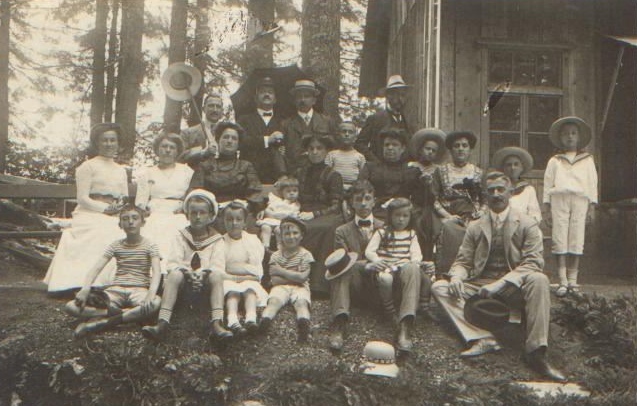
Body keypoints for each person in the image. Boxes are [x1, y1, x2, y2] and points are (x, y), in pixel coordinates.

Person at [431, 171, 566, 382]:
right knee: (440, 287)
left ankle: (536, 352)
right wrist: (457, 276)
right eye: (491, 190)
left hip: (513, 286)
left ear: (510, 192)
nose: (496, 194)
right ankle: (482, 337)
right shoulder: (476, 226)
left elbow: (533, 262)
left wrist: (500, 283)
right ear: (486, 195)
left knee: (539, 279)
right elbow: (463, 261)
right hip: (480, 284)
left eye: (500, 189)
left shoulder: (527, 224)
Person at [44, 122, 128, 293]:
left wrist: (118, 207)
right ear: (97, 143)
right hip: (89, 212)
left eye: (113, 140)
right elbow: (82, 198)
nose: (109, 144)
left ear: (118, 143)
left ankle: (110, 283)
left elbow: (124, 196)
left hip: (113, 214)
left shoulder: (121, 170)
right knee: (101, 229)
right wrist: (104, 209)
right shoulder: (87, 166)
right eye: (104, 140)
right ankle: (82, 282)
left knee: (121, 230)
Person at [141, 189, 232, 341]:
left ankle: (217, 323)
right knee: (175, 274)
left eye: (202, 213)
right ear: (187, 215)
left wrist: (202, 273)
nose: (197, 217)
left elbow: (218, 266)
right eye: (193, 213)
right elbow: (173, 263)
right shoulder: (181, 236)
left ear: (210, 216)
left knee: (216, 276)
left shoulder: (217, 239)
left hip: (205, 288)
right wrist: (188, 273)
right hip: (183, 287)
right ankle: (162, 323)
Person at [64, 205, 161, 338]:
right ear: (120, 224)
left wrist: (151, 293)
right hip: (116, 290)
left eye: (135, 218)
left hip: (139, 290)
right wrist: (85, 289)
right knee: (71, 306)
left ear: (143, 222)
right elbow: (96, 268)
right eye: (125, 219)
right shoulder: (116, 245)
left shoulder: (150, 245)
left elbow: (156, 272)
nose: (130, 222)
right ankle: (127, 314)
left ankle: (105, 321)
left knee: (155, 303)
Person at [543, 116, 598, 298]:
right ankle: (562, 280)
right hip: (559, 199)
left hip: (580, 200)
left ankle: (573, 280)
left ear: (579, 137)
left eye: (573, 133)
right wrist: (546, 207)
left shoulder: (587, 160)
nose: (570, 137)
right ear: (560, 138)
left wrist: (592, 206)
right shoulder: (555, 161)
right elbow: (548, 184)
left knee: (576, 237)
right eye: (566, 134)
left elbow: (592, 184)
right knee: (560, 237)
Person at [327, 180, 384, 351]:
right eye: (359, 199)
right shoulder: (342, 231)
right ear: (352, 203)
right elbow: (342, 262)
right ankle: (340, 322)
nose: (364, 203)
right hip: (355, 286)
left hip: (380, 284)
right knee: (339, 270)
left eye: (368, 198)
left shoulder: (385, 227)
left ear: (374, 201)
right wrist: (366, 265)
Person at [365, 197, 423, 352]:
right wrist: (377, 260)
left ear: (410, 217)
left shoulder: (411, 234)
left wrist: (413, 262)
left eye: (405, 216)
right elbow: (369, 250)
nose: (401, 219)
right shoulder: (382, 232)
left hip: (403, 268)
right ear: (390, 216)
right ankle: (389, 311)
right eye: (397, 215)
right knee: (384, 278)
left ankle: (406, 324)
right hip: (387, 267)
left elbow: (416, 255)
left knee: (413, 268)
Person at [135, 132, 193, 273]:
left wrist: (185, 207)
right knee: (151, 230)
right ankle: (153, 274)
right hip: (155, 212)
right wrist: (143, 210)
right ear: (157, 150)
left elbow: (191, 195)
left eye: (172, 147)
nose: (167, 150)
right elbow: (141, 201)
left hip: (178, 213)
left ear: (177, 151)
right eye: (164, 146)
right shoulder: (147, 173)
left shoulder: (186, 171)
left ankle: (174, 273)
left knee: (177, 231)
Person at [295, 134, 345, 293]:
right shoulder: (300, 173)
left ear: (326, 152)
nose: (315, 152)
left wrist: (314, 214)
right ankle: (294, 278)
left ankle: (319, 284)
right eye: (311, 149)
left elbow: (336, 206)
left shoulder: (334, 175)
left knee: (325, 228)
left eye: (319, 148)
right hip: (302, 211)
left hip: (327, 214)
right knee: (291, 227)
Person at [432, 131, 486, 275]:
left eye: (464, 145)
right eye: (456, 146)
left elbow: (485, 199)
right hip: (449, 216)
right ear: (451, 150)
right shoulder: (441, 171)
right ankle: (447, 274)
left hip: (473, 216)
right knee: (450, 231)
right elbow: (434, 198)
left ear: (470, 149)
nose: (461, 149)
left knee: (481, 231)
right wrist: (447, 215)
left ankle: (474, 275)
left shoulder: (478, 173)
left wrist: (481, 211)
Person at [259, 217, 314, 343]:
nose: (291, 237)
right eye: (287, 234)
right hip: (280, 287)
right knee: (273, 302)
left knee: (301, 303)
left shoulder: (305, 254)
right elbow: (274, 280)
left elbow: (302, 278)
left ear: (301, 236)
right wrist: (294, 276)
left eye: (295, 233)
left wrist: (282, 271)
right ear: (281, 236)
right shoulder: (276, 255)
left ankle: (303, 328)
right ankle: (264, 323)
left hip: (300, 288)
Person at [189, 121, 263, 212]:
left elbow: (255, 192)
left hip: (239, 213)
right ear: (218, 140)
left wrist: (248, 207)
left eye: (234, 138)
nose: (229, 141)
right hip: (211, 211)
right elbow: (195, 192)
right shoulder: (205, 166)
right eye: (225, 137)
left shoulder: (246, 166)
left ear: (238, 144)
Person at [221, 201, 268, 336]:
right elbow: (220, 269)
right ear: (224, 221)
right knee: (232, 291)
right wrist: (242, 271)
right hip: (229, 280)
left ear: (244, 222)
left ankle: (251, 319)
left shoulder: (251, 241)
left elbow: (256, 271)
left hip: (247, 280)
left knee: (250, 289)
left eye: (238, 219)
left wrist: (233, 268)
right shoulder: (221, 242)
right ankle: (232, 320)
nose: (234, 223)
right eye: (229, 219)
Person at [358, 128, 421, 219]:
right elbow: (360, 190)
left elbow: (419, 200)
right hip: (374, 212)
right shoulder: (370, 168)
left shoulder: (412, 171)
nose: (390, 148)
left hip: (402, 215)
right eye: (386, 145)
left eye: (395, 145)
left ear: (402, 148)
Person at [237, 76, 287, 183]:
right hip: (250, 175)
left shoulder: (284, 121)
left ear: (275, 99)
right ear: (255, 98)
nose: (267, 94)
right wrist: (267, 140)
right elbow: (242, 142)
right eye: (262, 92)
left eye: (270, 92)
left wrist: (284, 148)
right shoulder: (244, 120)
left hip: (277, 177)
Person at [408, 128, 447, 260]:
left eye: (433, 151)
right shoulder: (411, 166)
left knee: (432, 227)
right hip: (415, 205)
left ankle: (430, 259)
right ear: (420, 149)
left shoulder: (438, 170)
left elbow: (439, 192)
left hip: (432, 207)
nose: (430, 152)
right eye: (427, 148)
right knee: (417, 224)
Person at [284, 79, 339, 173]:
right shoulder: (286, 124)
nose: (302, 100)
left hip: (322, 173)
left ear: (314, 100)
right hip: (296, 173)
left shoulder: (327, 121)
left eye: (307, 96)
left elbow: (335, 148)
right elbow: (283, 152)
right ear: (294, 101)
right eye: (299, 97)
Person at [355, 75, 412, 162]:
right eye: (397, 95)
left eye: (403, 95)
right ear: (389, 96)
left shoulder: (407, 121)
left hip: (401, 171)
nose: (400, 99)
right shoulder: (375, 119)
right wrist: (375, 161)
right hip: (380, 170)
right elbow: (360, 144)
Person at [492, 146, 541, 225]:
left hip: (523, 227)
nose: (512, 168)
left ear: (521, 168)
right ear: (503, 168)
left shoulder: (528, 189)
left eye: (516, 164)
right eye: (508, 165)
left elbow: (535, 214)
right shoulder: (497, 188)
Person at [256, 175, 301, 250]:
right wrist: (271, 214)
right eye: (288, 191)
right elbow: (268, 210)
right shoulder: (276, 201)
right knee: (265, 227)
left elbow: (292, 215)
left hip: (282, 222)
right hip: (271, 219)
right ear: (282, 192)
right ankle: (265, 246)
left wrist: (277, 216)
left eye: (295, 191)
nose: (292, 193)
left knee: (279, 230)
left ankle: (280, 247)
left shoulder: (296, 204)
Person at [179, 93, 224, 166]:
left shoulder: (228, 132)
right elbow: (180, 156)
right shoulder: (188, 133)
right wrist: (202, 152)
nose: (215, 110)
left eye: (218, 107)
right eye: (211, 106)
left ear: (222, 110)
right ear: (203, 109)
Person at [325, 121, 366, 191]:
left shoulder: (360, 157)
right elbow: (325, 175)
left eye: (350, 132)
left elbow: (363, 178)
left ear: (355, 137)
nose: (347, 134)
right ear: (338, 135)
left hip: (354, 190)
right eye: (344, 131)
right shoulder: (331, 155)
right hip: (335, 189)